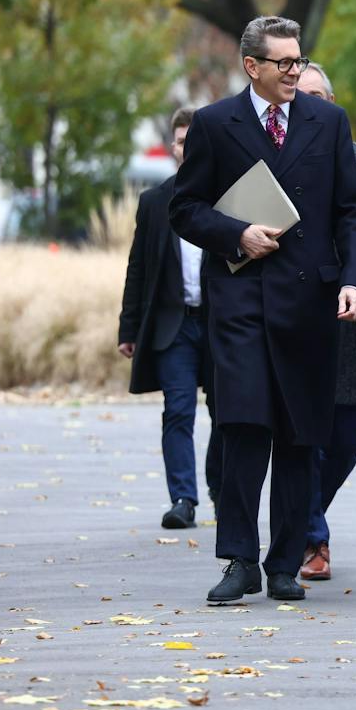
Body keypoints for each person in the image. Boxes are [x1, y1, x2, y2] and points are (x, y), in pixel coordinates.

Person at [170, 16, 356, 606]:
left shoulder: (328, 121)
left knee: (298, 436)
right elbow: (185, 209)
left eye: (299, 60)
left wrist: (355, 282)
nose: (295, 71)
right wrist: (237, 234)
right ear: (251, 67)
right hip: (239, 302)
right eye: (283, 62)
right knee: (243, 428)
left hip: (310, 301)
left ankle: (285, 562)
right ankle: (239, 559)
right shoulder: (213, 125)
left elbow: (352, 212)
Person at [294, 62, 356, 583]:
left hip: (351, 315)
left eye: (321, 96)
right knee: (306, 436)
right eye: (303, 97)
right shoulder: (275, 159)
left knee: (347, 437)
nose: (314, 106)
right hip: (295, 313)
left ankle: (300, 516)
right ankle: (312, 536)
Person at [119, 107, 215, 529]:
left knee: (228, 412)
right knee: (178, 410)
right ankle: (183, 498)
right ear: (173, 148)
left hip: (221, 324)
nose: (187, 147)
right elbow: (137, 268)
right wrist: (128, 328)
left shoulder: (231, 196)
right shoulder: (155, 202)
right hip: (173, 326)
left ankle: (221, 488)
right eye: (180, 140)